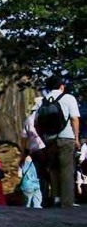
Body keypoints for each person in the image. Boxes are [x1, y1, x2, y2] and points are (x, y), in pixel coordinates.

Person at [37, 76, 81, 208]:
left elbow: (36, 123)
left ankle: (55, 198)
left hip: (49, 139)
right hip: (66, 138)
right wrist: (77, 138)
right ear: (61, 86)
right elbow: (74, 119)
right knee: (67, 170)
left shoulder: (42, 101)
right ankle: (66, 202)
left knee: (53, 169)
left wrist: (44, 137)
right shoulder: (68, 98)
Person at [21, 97, 50, 204]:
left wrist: (24, 152)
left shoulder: (28, 120)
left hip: (34, 150)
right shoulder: (43, 118)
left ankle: (42, 198)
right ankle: (48, 197)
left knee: (39, 174)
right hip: (45, 148)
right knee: (47, 174)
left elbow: (24, 137)